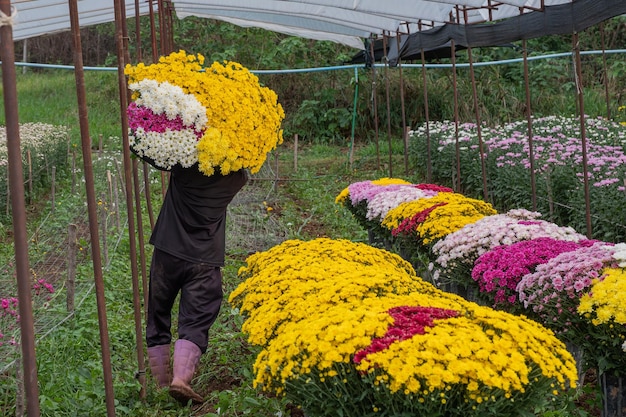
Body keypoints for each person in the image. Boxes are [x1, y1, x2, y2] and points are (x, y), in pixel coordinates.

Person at [143, 161, 248, 405]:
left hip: (167, 251)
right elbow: (245, 165)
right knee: (197, 317)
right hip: (204, 258)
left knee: (158, 313)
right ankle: (180, 378)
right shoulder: (236, 179)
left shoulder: (183, 166)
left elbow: (152, 154)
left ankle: (160, 383)